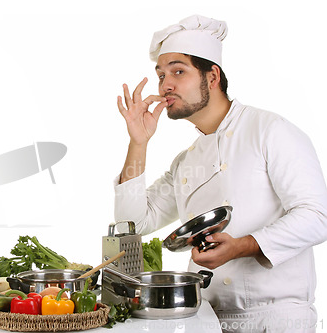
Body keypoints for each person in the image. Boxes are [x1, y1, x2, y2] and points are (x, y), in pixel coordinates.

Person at [114, 15, 327, 332]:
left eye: (178, 71)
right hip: (206, 318)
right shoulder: (186, 162)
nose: (165, 85)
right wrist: (138, 142)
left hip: (276, 320)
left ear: (212, 77)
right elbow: (132, 224)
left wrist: (244, 246)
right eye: (160, 75)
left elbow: (318, 216)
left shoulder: (269, 130)